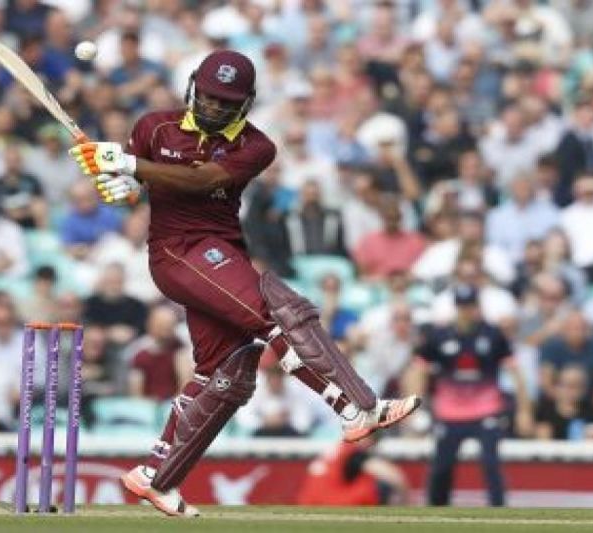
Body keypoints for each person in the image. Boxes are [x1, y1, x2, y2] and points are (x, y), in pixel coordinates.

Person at [69, 49, 419, 517]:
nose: (213, 108)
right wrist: (123, 188)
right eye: (208, 97)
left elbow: (200, 180)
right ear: (194, 86)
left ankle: (156, 476)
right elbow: (137, 189)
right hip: (175, 250)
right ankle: (355, 406)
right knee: (277, 309)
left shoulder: (257, 146)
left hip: (220, 250)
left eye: (224, 102)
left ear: (246, 103)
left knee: (230, 373)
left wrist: (131, 169)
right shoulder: (153, 127)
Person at [404, 284, 533, 507]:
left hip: (486, 410)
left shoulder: (493, 334)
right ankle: (436, 513)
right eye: (462, 306)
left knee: (491, 463)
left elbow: (515, 372)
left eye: (470, 306)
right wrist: (411, 407)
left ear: (477, 306)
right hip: (449, 413)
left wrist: (524, 411)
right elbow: (418, 370)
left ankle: (498, 512)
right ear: (456, 307)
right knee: (442, 466)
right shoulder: (439, 336)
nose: (466, 311)